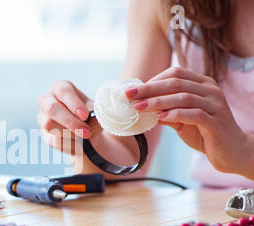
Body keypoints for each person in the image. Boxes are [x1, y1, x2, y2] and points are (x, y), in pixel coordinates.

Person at [37, 0, 254, 189]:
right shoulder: (163, 4)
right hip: (216, 216)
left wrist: (244, 152)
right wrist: (87, 142)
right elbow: (129, 156)